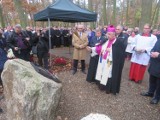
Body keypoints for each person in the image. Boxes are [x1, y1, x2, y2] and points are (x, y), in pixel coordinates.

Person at [86, 25, 126, 95]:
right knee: (102, 72)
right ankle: (102, 86)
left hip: (110, 61)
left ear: (114, 35)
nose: (108, 35)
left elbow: (120, 54)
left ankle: (108, 88)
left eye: (110, 34)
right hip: (103, 60)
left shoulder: (118, 42)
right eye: (107, 34)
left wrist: (111, 50)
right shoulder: (106, 41)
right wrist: (92, 49)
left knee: (108, 73)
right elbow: (99, 48)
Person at [141, 38, 160, 104]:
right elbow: (154, 47)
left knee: (159, 83)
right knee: (152, 79)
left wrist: (158, 55)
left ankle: (157, 98)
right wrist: (152, 52)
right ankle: (150, 92)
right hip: (154, 63)